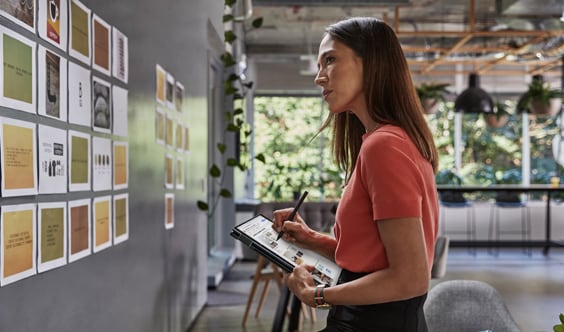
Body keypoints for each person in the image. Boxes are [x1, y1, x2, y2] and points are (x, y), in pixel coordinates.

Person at [272, 17, 439, 332]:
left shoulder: (384, 146)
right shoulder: (391, 140)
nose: (319, 78)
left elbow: (410, 278)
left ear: (371, 64)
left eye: (331, 60)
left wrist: (316, 295)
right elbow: (374, 259)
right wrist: (312, 240)